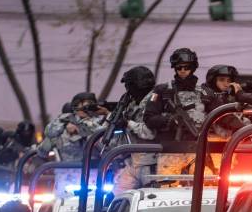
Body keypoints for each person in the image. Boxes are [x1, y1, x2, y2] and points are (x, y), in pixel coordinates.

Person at [143, 48, 206, 141]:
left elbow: (218, 119)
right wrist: (171, 120)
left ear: (192, 68)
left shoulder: (204, 92)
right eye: (179, 67)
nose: (183, 70)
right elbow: (149, 118)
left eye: (187, 67)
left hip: (200, 146)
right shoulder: (161, 90)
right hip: (169, 148)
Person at [113, 66, 159, 194]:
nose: (128, 90)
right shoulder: (133, 103)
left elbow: (150, 133)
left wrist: (128, 123)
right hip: (134, 161)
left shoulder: (155, 101)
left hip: (152, 162)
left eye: (129, 85)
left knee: (151, 198)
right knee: (116, 198)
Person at [41, 93, 107, 161]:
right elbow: (42, 151)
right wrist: (65, 124)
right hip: (67, 168)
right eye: (84, 107)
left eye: (90, 106)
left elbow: (107, 145)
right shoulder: (61, 126)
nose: (87, 110)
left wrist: (108, 114)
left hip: (94, 168)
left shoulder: (99, 122)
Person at [201, 64, 248, 138]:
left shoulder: (224, 94)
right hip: (209, 140)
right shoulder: (208, 94)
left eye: (228, 81)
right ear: (213, 80)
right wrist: (246, 131)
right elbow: (225, 116)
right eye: (221, 80)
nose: (226, 84)